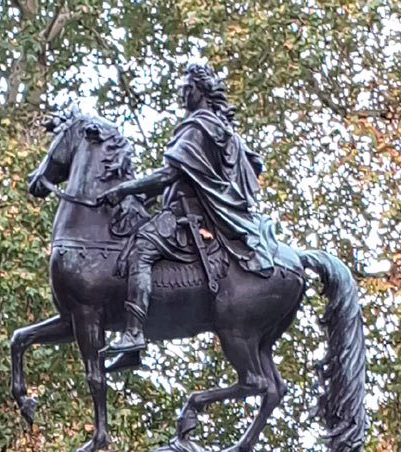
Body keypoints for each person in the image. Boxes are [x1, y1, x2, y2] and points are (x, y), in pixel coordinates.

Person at [100, 61, 297, 367]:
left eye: (187, 88)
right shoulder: (216, 128)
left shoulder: (199, 127)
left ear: (201, 91)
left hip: (185, 217)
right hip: (193, 213)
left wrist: (124, 189)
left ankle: (134, 335)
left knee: (140, 251)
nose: (182, 94)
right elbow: (182, 177)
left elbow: (168, 175)